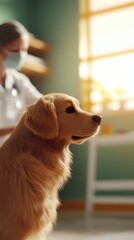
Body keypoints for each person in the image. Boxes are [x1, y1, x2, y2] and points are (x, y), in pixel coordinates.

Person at [0, 20, 42, 145]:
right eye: (15, 50)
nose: (21, 55)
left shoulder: (19, 81)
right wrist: (20, 129)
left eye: (24, 49)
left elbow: (42, 104)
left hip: (13, 153)